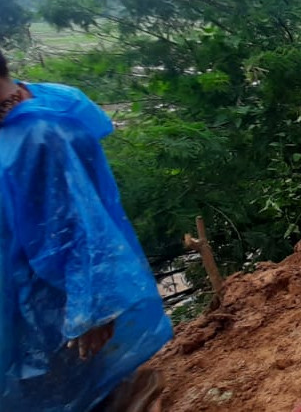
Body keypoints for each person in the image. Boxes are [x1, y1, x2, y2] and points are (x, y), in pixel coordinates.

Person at [0, 51, 172, 411]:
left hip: (39, 282)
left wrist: (92, 308)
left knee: (53, 366)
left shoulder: (40, 135)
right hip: (22, 269)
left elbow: (79, 223)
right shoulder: (45, 100)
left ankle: (122, 396)